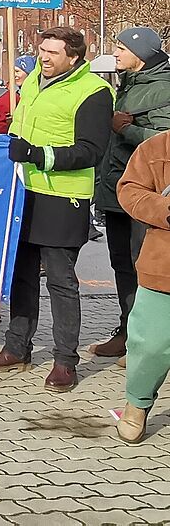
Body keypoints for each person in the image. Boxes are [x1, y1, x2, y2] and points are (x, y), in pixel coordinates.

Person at [0, 27, 113, 392]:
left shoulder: (94, 92)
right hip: (24, 192)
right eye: (41, 50)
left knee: (60, 282)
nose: (44, 57)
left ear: (73, 57)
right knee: (21, 275)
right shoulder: (33, 81)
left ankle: (65, 361)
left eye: (52, 53)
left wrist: (40, 156)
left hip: (62, 197)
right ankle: (16, 346)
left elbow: (91, 150)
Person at [90, 28, 170, 361]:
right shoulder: (129, 84)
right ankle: (127, 330)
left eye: (121, 48)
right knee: (122, 264)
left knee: (145, 267)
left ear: (142, 53)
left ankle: (148, 341)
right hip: (119, 190)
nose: (115, 53)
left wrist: (126, 129)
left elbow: (164, 140)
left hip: (148, 195)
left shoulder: (162, 87)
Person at [113, 127, 170, 442]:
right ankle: (137, 403)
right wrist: (166, 209)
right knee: (150, 345)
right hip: (164, 266)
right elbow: (130, 189)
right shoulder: (158, 147)